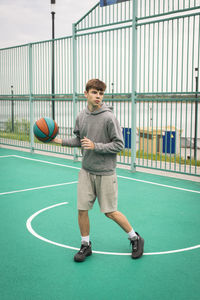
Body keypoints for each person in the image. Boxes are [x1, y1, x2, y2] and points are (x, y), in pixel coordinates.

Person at [52, 79, 144, 262]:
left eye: (101, 93)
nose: (98, 96)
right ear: (86, 94)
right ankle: (85, 245)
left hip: (106, 172)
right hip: (86, 170)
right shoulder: (81, 116)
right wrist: (58, 141)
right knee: (82, 209)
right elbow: (80, 141)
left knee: (110, 212)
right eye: (94, 92)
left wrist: (96, 146)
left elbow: (119, 145)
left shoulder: (109, 117)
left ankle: (135, 238)